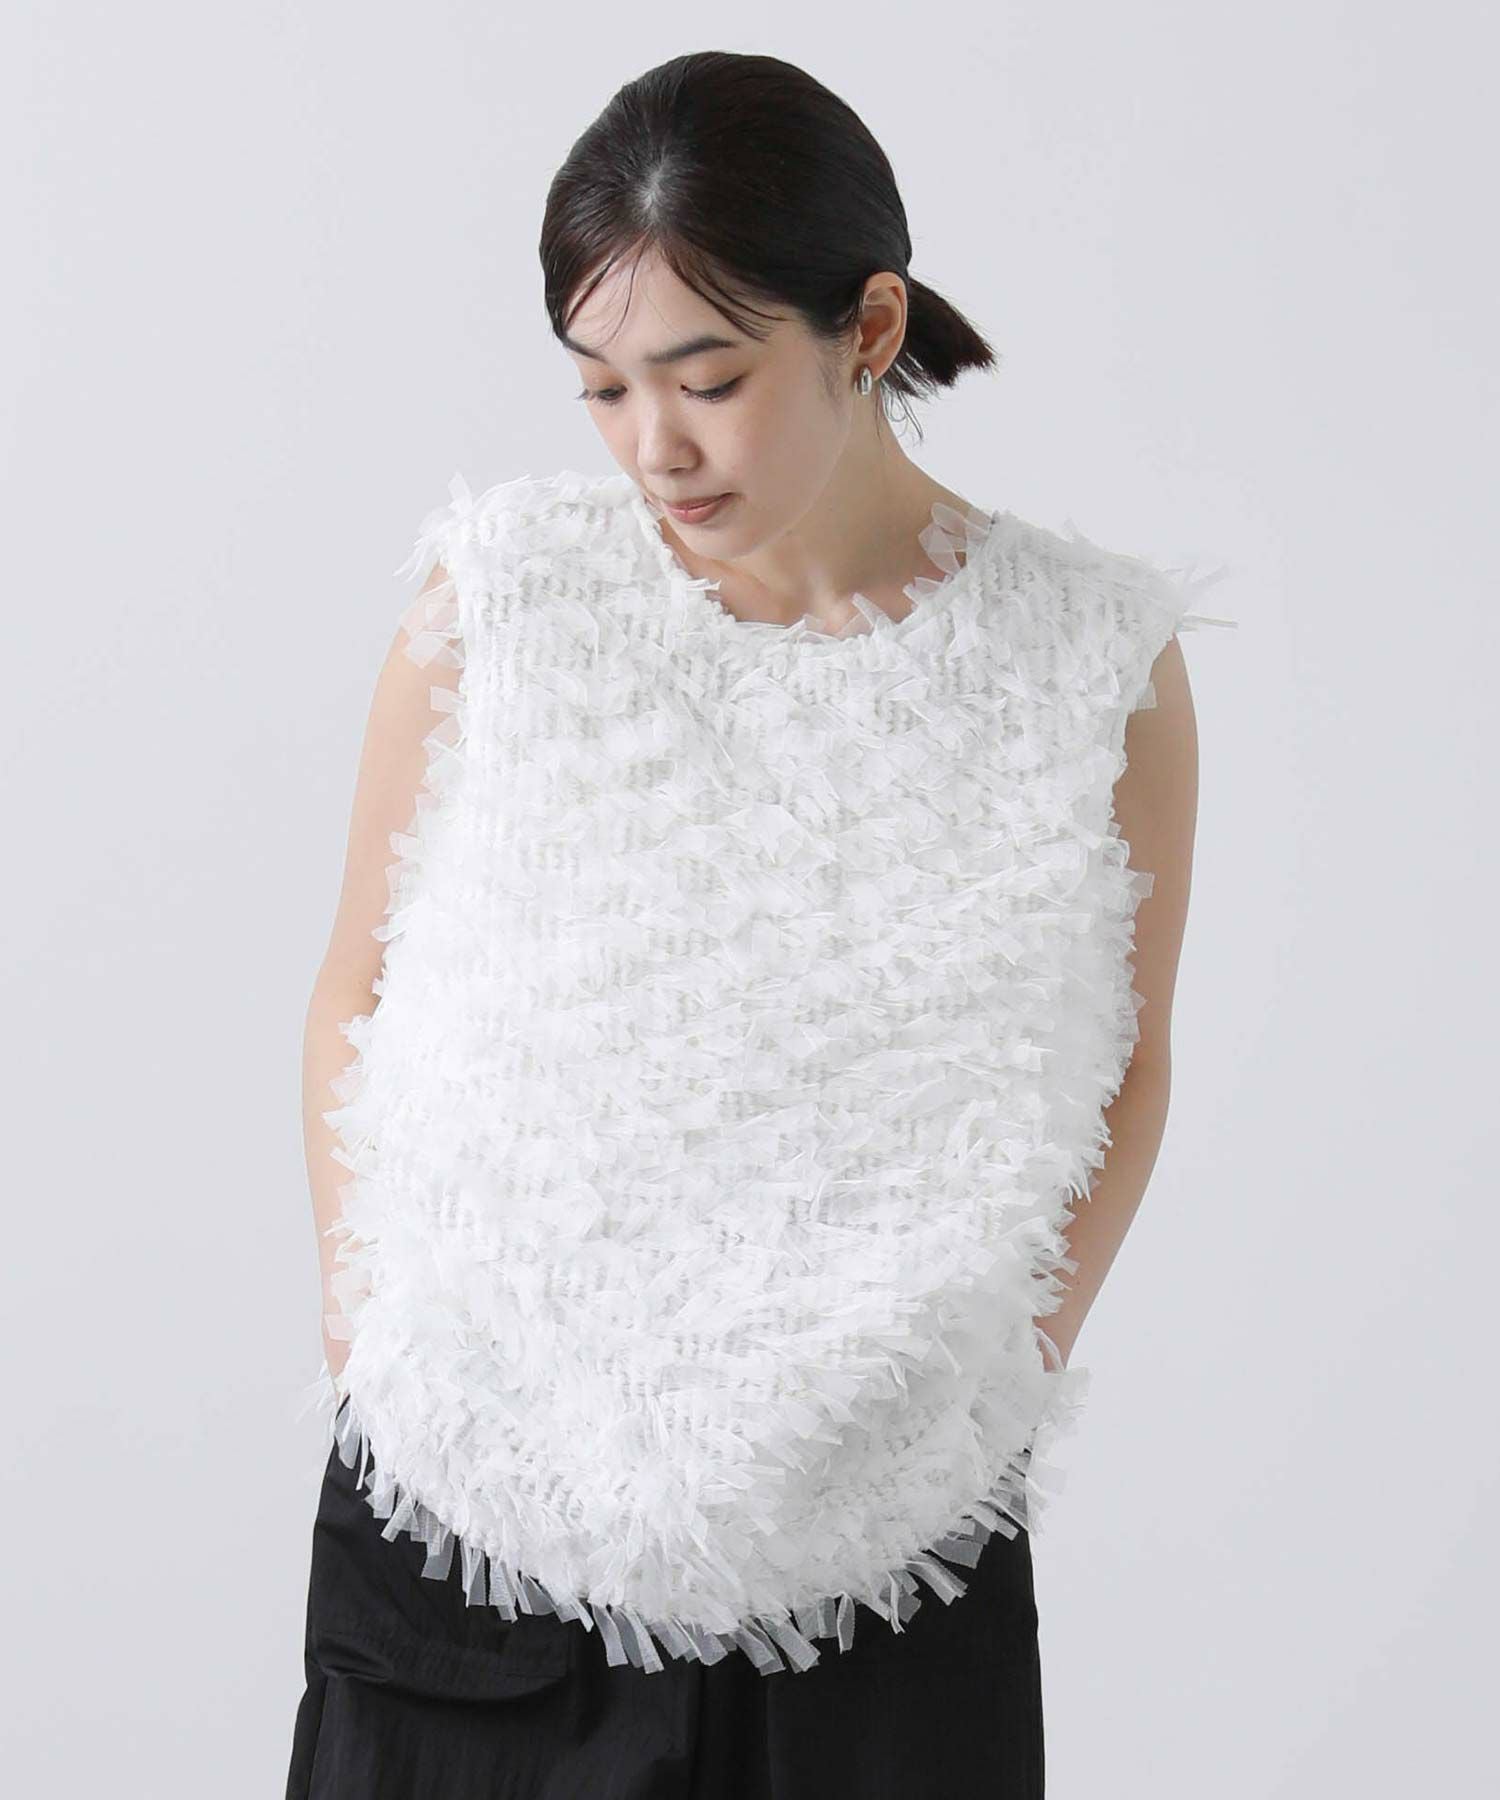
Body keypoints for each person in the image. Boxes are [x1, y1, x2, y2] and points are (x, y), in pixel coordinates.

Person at [286, 49, 1235, 1800]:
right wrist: (379, 1337)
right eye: (602, 387)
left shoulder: (1087, 659)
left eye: (708, 378)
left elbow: (1131, 1066)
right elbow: (358, 986)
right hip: (471, 1525)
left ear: (868, 328)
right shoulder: (505, 599)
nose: (656, 445)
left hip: (878, 1561)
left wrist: (983, 1392)